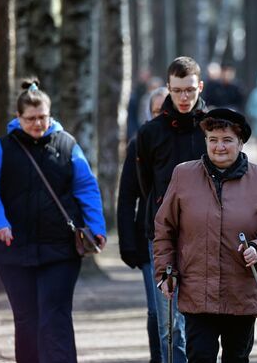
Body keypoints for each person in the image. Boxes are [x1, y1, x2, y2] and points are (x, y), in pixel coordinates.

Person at [0, 78, 106, 363]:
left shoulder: (67, 144)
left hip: (60, 248)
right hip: (14, 247)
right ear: (18, 118)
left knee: (55, 315)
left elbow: (86, 186)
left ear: (51, 114)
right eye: (31, 119)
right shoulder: (3, 148)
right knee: (26, 319)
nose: (38, 124)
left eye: (43, 117)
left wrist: (97, 227)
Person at [153, 108, 257, 362]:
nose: (219, 146)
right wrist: (165, 270)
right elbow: (164, 228)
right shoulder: (183, 175)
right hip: (197, 293)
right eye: (213, 139)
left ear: (240, 143)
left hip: (241, 293)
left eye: (227, 140)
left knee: (237, 358)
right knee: (199, 357)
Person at [137, 56, 208, 363]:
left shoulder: (212, 128)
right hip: (163, 237)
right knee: (170, 327)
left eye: (190, 90)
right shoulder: (150, 133)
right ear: (167, 88)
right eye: (177, 90)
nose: (184, 97)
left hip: (206, 237)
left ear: (200, 87)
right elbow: (143, 184)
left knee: (204, 323)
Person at [117, 86, 168, 362]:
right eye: (157, 111)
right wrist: (127, 243)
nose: (161, 116)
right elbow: (127, 196)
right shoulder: (139, 144)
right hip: (147, 234)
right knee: (155, 310)